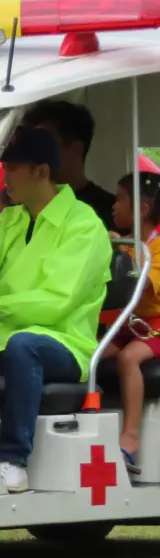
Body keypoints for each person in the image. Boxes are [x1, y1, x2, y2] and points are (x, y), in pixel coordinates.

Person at [0, 129, 112, 494]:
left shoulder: (84, 226)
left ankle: (13, 460)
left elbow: (56, 302)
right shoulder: (10, 220)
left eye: (11, 169)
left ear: (40, 171)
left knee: (25, 346)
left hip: (64, 343)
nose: (4, 178)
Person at [102, 172, 160, 474]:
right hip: (133, 323)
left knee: (128, 359)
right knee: (93, 354)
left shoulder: (156, 247)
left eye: (120, 199)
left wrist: (120, 256)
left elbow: (142, 285)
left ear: (142, 210)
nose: (113, 206)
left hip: (156, 324)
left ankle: (131, 436)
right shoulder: (131, 243)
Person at [24, 100, 116, 230]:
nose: (36, 150)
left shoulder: (112, 211)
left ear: (76, 149)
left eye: (46, 142)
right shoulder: (23, 205)